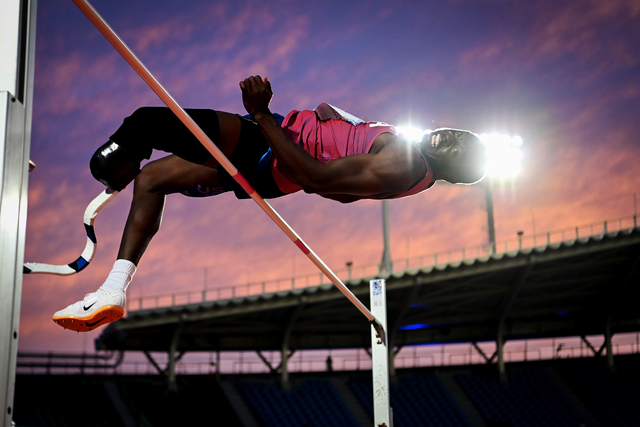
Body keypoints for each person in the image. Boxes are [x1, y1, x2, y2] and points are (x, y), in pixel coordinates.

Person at [52, 76, 487, 332]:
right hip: (274, 150)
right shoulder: (411, 163)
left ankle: (113, 165)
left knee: (145, 124)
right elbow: (340, 188)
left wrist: (260, 114)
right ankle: (113, 291)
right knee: (151, 180)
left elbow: (315, 179)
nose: (451, 137)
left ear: (455, 172)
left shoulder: (406, 163)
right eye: (459, 132)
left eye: (458, 148)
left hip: (265, 145)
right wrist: (338, 121)